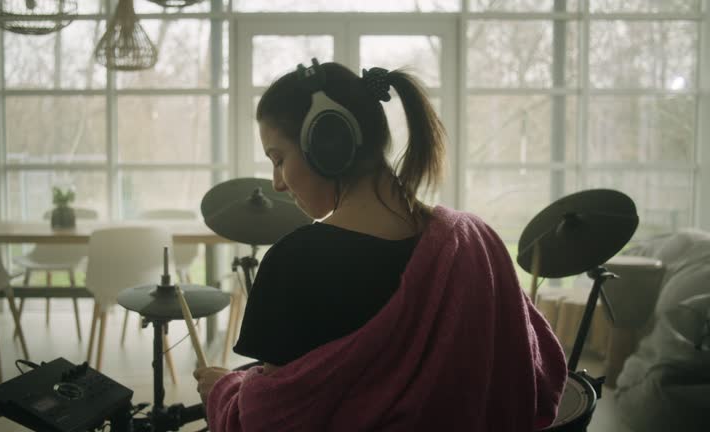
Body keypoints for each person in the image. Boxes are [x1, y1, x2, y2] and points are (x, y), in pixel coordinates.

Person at [193, 59, 567, 431]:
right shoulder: (475, 242)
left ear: (327, 143)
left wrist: (225, 393)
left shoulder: (292, 264)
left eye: (279, 159)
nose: (276, 183)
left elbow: (269, 422)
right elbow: (539, 374)